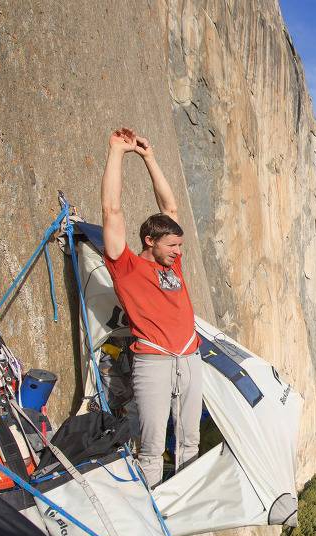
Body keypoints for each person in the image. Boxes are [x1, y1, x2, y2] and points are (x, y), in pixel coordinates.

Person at [100, 128, 202, 487]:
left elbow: (170, 208)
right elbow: (111, 209)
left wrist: (149, 157)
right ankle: (154, 504)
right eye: (173, 245)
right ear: (150, 241)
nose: (179, 252)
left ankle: (184, 501)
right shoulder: (126, 266)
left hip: (190, 359)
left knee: (190, 442)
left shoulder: (170, 264)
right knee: (153, 447)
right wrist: (116, 152)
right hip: (154, 363)